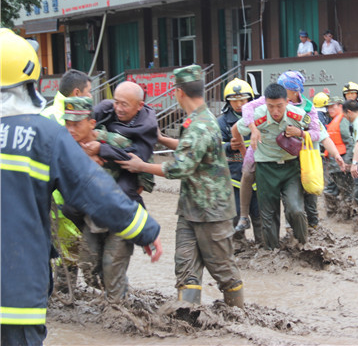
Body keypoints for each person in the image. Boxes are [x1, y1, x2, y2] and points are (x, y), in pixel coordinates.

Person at [0, 28, 162, 346]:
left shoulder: (102, 139)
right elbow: (92, 189)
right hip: (16, 291)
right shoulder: (45, 135)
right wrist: (145, 229)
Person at [118, 65, 244, 308]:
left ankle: (239, 317)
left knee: (223, 269)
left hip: (212, 212)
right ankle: (188, 318)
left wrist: (141, 166)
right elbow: (191, 148)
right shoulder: (199, 119)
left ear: (179, 92)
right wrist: (162, 139)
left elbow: (180, 167)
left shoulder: (200, 125)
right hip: (190, 209)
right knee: (185, 267)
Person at [75, 81, 157, 302]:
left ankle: (119, 308)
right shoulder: (103, 114)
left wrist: (102, 146)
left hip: (122, 212)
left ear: (139, 106)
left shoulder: (145, 129)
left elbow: (137, 162)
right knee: (88, 268)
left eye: (125, 105)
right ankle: (120, 294)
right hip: (94, 208)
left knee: (113, 268)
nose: (119, 108)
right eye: (116, 102)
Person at [235, 83, 311, 249]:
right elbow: (237, 128)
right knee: (268, 214)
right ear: (265, 103)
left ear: (287, 102)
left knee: (296, 209)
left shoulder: (298, 115)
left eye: (279, 106)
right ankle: (272, 251)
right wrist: (245, 145)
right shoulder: (257, 116)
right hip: (266, 168)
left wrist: (300, 133)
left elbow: (317, 132)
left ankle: (303, 246)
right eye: (270, 106)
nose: (275, 111)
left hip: (291, 168)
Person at [41, 69, 93, 292]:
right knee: (71, 254)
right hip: (66, 198)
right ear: (77, 92)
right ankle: (66, 294)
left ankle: (59, 294)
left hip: (44, 197)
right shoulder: (75, 118)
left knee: (55, 252)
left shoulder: (44, 115)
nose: (91, 96)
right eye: (89, 92)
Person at [218, 78, 262, 243]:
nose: (239, 104)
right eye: (234, 101)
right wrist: (228, 146)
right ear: (228, 102)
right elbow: (212, 148)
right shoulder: (221, 123)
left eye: (243, 100)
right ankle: (239, 247)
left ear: (250, 100)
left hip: (259, 176)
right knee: (235, 216)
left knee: (260, 215)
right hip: (234, 178)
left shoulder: (260, 117)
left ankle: (263, 246)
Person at [323, 96, 355, 206]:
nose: (330, 110)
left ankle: (346, 214)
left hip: (341, 164)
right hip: (335, 164)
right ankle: (335, 213)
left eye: (332, 107)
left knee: (346, 192)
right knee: (332, 191)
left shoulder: (343, 120)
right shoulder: (335, 121)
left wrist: (347, 163)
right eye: (328, 107)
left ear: (340, 106)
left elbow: (350, 142)